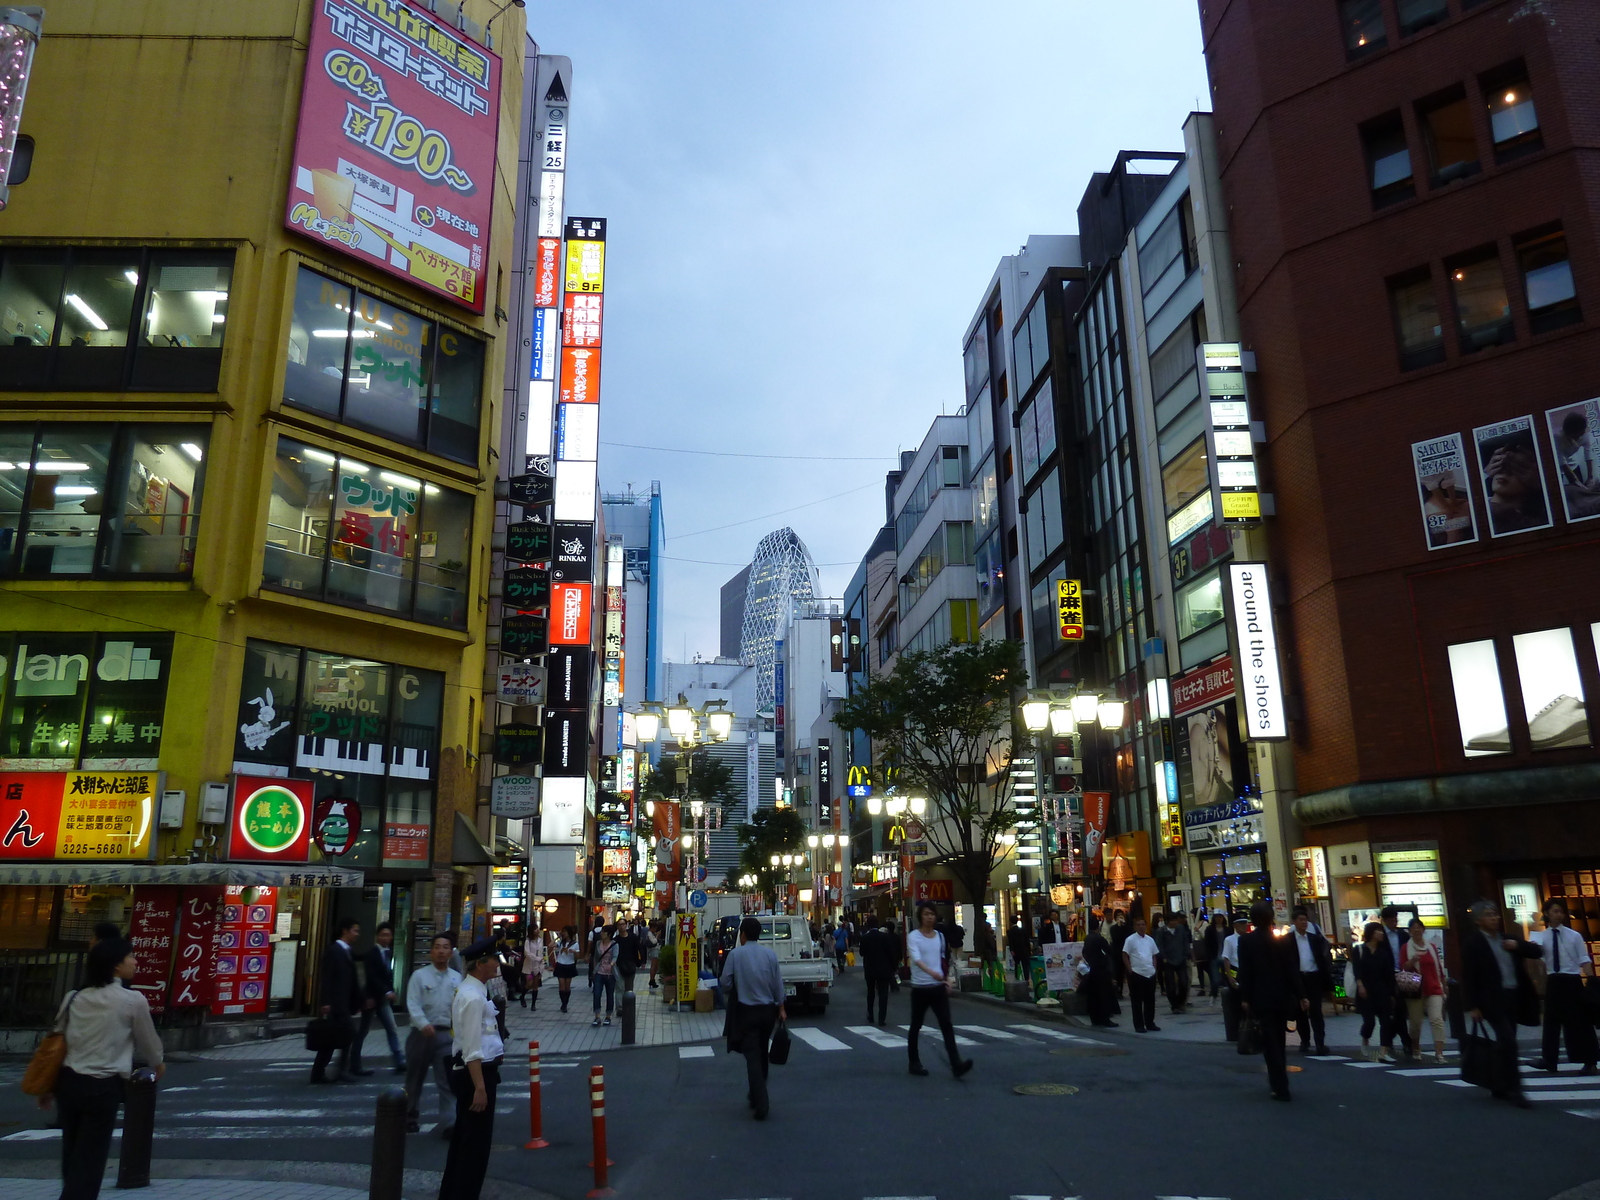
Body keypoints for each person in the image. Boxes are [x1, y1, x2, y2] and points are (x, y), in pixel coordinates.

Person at [38, 938, 164, 1200]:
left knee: (72, 1151)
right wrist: (158, 1063)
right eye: (130, 957)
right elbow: (149, 1042)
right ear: (116, 965)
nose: (135, 961)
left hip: (68, 1082)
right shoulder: (132, 1000)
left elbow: (57, 1040)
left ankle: (71, 1192)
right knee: (92, 1155)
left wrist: (47, 1085)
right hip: (104, 1086)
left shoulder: (73, 997)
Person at [438, 937, 506, 1200]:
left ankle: (453, 1194)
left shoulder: (475, 991)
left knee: (465, 1142)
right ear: (481, 964)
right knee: (474, 1147)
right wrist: (480, 1087)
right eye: (493, 960)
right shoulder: (473, 996)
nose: (497, 964)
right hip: (475, 1073)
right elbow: (472, 1048)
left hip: (476, 1071)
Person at [1461, 899, 1542, 1108]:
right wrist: (1473, 1006)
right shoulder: (1473, 943)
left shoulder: (1507, 939)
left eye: (1495, 914)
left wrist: (1518, 945)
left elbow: (1537, 951)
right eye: (1489, 915)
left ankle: (1498, 1084)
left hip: (1513, 996)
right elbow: (1469, 976)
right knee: (1509, 1041)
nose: (1494, 918)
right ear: (1479, 920)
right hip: (1491, 1001)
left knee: (1505, 1042)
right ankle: (1516, 1090)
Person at [1234, 901, 1307, 1101]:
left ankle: (1279, 1085)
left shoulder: (1246, 942)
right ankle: (1280, 1082)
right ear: (1271, 918)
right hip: (1281, 997)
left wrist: (1245, 998)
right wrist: (1301, 995)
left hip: (1260, 997)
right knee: (1279, 1039)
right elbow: (1292, 969)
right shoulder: (1282, 940)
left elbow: (1245, 972)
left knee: (1270, 1042)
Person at [720, 915, 786, 1120]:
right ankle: (756, 1092)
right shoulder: (770, 955)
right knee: (761, 1050)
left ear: (744, 934)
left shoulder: (736, 955)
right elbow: (778, 984)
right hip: (768, 1011)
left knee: (752, 1057)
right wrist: (781, 1008)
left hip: (746, 1011)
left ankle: (761, 1102)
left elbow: (725, 983)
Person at [1531, 899, 1598, 1074]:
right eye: (1554, 911)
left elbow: (1584, 959)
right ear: (1546, 913)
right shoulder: (1541, 936)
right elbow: (1540, 962)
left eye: (1561, 911)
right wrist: (1540, 983)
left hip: (1572, 980)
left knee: (1580, 1022)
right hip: (1554, 980)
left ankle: (1590, 1061)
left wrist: (1591, 981)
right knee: (1551, 1022)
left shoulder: (1574, 935)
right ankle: (1549, 1060)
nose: (1558, 915)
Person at [405, 933, 462, 1136]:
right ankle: (410, 1115)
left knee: (447, 1080)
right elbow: (412, 1003)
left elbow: (459, 1007)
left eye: (445, 947)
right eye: (437, 947)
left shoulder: (457, 978)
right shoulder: (419, 976)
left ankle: (449, 1122)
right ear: (431, 951)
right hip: (421, 1034)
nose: (441, 951)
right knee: (414, 1078)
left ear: (450, 952)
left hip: (446, 1035)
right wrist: (423, 1024)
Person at [906, 904, 972, 1078]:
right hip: (920, 987)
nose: (929, 917)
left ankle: (956, 1063)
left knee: (946, 1025)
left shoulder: (940, 937)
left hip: (938, 988)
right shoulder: (914, 937)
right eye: (926, 914)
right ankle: (914, 1062)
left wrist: (947, 979)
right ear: (920, 917)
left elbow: (943, 959)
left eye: (932, 914)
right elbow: (917, 959)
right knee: (916, 1025)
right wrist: (932, 973)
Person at [312, 916, 368, 1083]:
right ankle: (337, 1070)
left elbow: (351, 981)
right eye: (355, 930)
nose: (357, 934)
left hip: (343, 1003)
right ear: (345, 931)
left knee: (334, 1038)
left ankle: (321, 1072)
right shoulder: (334, 950)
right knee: (343, 1035)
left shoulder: (347, 951)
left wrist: (357, 1000)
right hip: (336, 1003)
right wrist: (325, 1002)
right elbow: (327, 978)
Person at [357, 922, 406, 1074]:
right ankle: (354, 1062)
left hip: (383, 1000)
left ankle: (399, 1061)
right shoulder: (371, 953)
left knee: (392, 1028)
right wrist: (386, 992)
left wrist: (390, 990)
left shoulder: (389, 952)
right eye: (382, 935)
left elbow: (387, 976)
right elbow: (372, 977)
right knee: (363, 1031)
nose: (386, 938)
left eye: (388, 935)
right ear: (377, 936)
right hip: (371, 998)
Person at [1400, 917, 1448, 1066]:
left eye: (1419, 927)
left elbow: (1438, 967)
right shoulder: (1406, 948)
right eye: (1413, 927)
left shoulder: (1431, 947)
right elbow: (1404, 968)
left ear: (1423, 929)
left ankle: (1439, 1053)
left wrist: (1444, 984)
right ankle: (1416, 1048)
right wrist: (1413, 960)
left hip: (1434, 987)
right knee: (1415, 1023)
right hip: (1415, 990)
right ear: (1409, 931)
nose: (1416, 930)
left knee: (1436, 1020)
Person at [1288, 907, 1332, 1055]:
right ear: (1294, 922)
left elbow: (1322, 956)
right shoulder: (1287, 940)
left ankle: (1320, 1043)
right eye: (1300, 920)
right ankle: (1304, 1041)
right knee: (1300, 1013)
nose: (1304, 923)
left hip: (1313, 977)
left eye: (1305, 920)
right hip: (1298, 978)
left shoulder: (1314, 938)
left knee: (1316, 1012)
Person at [1354, 922, 1399, 1062]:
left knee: (1385, 1021)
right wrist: (1360, 985)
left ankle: (1383, 1052)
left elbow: (1388, 974)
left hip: (1382, 990)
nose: (1381, 934)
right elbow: (1357, 970)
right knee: (1370, 1022)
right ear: (1371, 933)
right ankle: (1365, 1039)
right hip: (1365, 990)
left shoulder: (1383, 953)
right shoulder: (1359, 950)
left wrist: (1392, 993)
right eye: (1378, 931)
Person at [1378, 906, 1416, 1058]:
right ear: (1385, 920)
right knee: (1396, 1009)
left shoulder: (1402, 935)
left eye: (1396, 919)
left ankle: (1393, 1038)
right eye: (1392, 920)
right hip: (1387, 976)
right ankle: (1405, 1041)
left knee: (1401, 1009)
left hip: (1403, 973)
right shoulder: (1380, 935)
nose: (1395, 922)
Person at [1121, 917, 1162, 1033]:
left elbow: (1154, 954)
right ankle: (1139, 1025)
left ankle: (1150, 1022)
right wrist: (1130, 970)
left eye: (1143, 924)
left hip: (1150, 973)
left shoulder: (1150, 940)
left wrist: (1154, 968)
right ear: (1135, 927)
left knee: (1150, 1000)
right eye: (1138, 925)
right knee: (1137, 1001)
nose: (1141, 927)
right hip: (1137, 973)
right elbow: (1125, 954)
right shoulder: (1130, 940)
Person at [1080, 915, 1118, 1027]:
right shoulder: (1099, 938)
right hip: (1101, 968)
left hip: (1093, 968)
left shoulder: (1087, 938)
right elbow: (1109, 951)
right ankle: (1105, 1018)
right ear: (1098, 926)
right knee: (1104, 994)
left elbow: (1084, 953)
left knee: (1094, 995)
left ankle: (1095, 1018)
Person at [860, 914, 897, 1025]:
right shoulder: (885, 937)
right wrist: (893, 967)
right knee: (883, 993)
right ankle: (882, 1018)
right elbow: (891, 953)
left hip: (870, 968)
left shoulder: (865, 938)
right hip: (883, 968)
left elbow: (862, 953)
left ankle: (870, 1015)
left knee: (870, 992)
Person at [1157, 912, 1193, 1014]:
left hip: (1181, 959)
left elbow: (1185, 942)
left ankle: (1181, 1002)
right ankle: (1174, 1005)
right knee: (1170, 984)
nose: (1175, 923)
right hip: (1168, 961)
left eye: (1176, 920)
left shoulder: (1180, 929)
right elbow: (1160, 945)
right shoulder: (1162, 931)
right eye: (1173, 921)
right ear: (1168, 921)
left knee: (1184, 982)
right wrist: (1164, 957)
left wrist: (1187, 954)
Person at [590, 925, 618, 1026]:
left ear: (609, 934)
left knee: (610, 994)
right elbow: (596, 957)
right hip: (599, 972)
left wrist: (612, 964)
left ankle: (608, 1016)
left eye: (604, 932)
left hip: (610, 973)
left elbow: (615, 956)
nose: (601, 933)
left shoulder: (614, 944)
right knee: (596, 993)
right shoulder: (598, 943)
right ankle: (597, 1016)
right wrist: (594, 970)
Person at [1201, 913, 1229, 1001]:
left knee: (1228, 978)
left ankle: (1227, 996)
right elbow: (1207, 944)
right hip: (1214, 956)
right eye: (1216, 917)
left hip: (1225, 956)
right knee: (1215, 979)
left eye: (1220, 917)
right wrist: (1209, 956)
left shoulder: (1227, 929)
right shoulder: (1210, 929)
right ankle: (1213, 995)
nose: (1218, 919)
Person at [552, 925, 579, 1012]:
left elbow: (578, 956)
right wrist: (557, 937)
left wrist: (573, 952)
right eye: (562, 931)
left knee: (567, 987)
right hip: (560, 964)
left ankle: (565, 1003)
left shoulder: (575, 944)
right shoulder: (560, 942)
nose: (563, 933)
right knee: (561, 986)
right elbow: (550, 945)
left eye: (565, 932)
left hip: (569, 965)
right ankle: (563, 1004)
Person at [614, 919, 643, 997]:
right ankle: (620, 1007)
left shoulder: (633, 937)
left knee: (629, 988)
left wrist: (641, 961)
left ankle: (628, 1006)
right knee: (620, 987)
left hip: (631, 965)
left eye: (623, 924)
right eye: (620, 925)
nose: (622, 926)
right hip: (619, 965)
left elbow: (639, 948)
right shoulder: (616, 940)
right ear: (617, 927)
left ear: (626, 925)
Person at [521, 928, 545, 1010]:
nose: (537, 931)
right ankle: (522, 996)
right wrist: (536, 958)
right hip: (529, 965)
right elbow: (527, 953)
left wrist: (541, 961)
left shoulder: (540, 940)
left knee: (535, 984)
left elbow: (541, 951)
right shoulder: (528, 941)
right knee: (529, 982)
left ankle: (533, 1004)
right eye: (535, 929)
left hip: (537, 966)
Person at [1108, 911, 1131, 998]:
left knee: (1129, 972)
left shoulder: (1128, 927)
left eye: (1121, 915)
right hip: (1117, 953)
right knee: (1119, 973)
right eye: (1118, 916)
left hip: (1128, 952)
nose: (1120, 917)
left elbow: (1129, 936)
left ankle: (1132, 991)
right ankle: (1119, 991)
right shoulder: (1113, 928)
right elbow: (1116, 938)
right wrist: (1119, 927)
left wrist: (1124, 926)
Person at [1006, 915, 1032, 981]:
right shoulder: (1023, 930)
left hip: (1016, 950)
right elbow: (1027, 941)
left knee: (1017, 964)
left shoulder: (1010, 931)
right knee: (1025, 965)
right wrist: (1029, 950)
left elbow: (1010, 942)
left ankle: (1017, 977)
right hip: (1024, 950)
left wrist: (1012, 950)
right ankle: (1026, 979)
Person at [646, 919, 662, 989]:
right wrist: (657, 936)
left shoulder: (651, 933)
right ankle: (652, 979)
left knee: (656, 966)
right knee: (654, 965)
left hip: (655, 950)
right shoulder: (649, 933)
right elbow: (654, 942)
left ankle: (652, 979)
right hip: (653, 951)